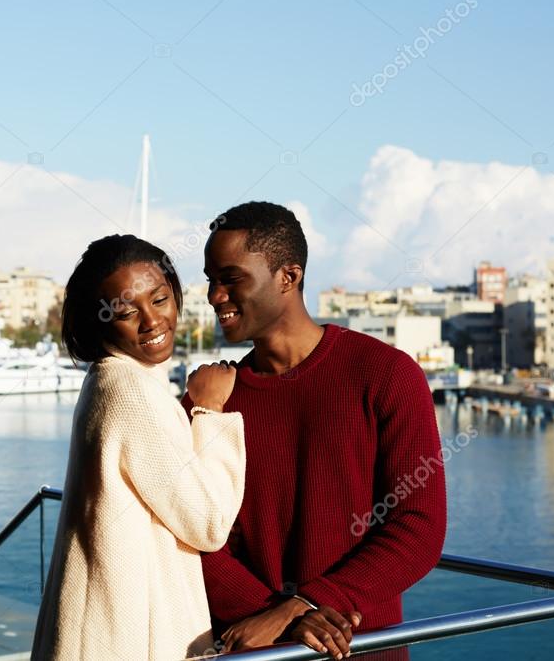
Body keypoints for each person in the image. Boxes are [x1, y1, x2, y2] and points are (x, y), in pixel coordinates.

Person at [192, 202, 447, 659]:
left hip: (357, 649)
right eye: (211, 279)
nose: (214, 296)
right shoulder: (211, 402)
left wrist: (303, 606)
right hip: (252, 648)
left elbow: (418, 526)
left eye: (231, 278)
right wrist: (276, 618)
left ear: (288, 277)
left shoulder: (386, 374)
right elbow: (192, 535)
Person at [33, 234, 246, 661]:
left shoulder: (106, 380)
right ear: (100, 322)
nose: (152, 321)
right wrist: (209, 409)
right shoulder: (131, 392)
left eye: (160, 299)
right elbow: (207, 521)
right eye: (127, 312)